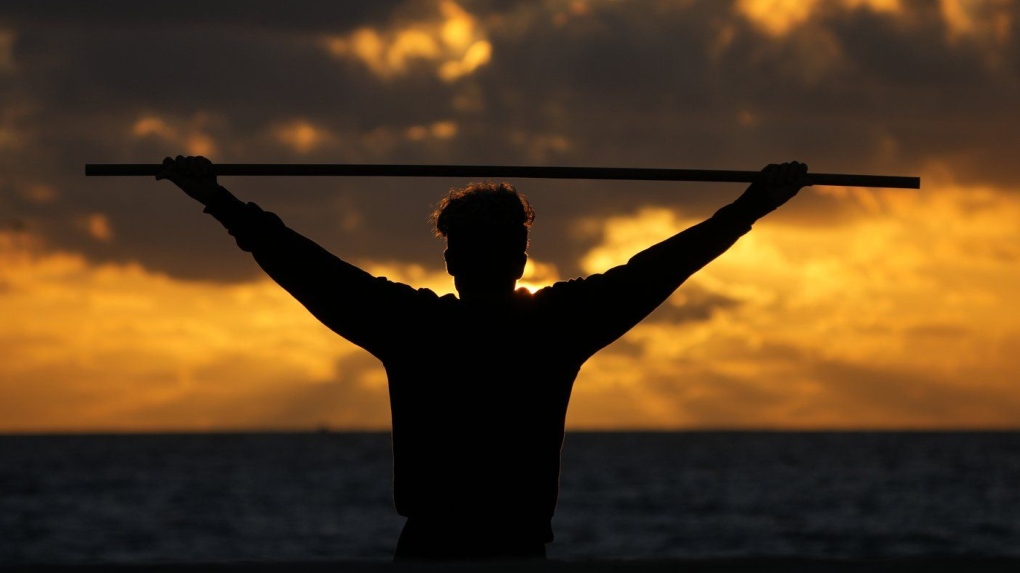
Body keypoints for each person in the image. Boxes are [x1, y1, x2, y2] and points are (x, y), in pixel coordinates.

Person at [156, 156, 809, 561]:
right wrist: (751, 205)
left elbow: (307, 267)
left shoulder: (413, 324)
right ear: (523, 261)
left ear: (449, 260)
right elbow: (659, 268)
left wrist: (216, 199)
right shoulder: (555, 325)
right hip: (515, 551)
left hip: (431, 550)